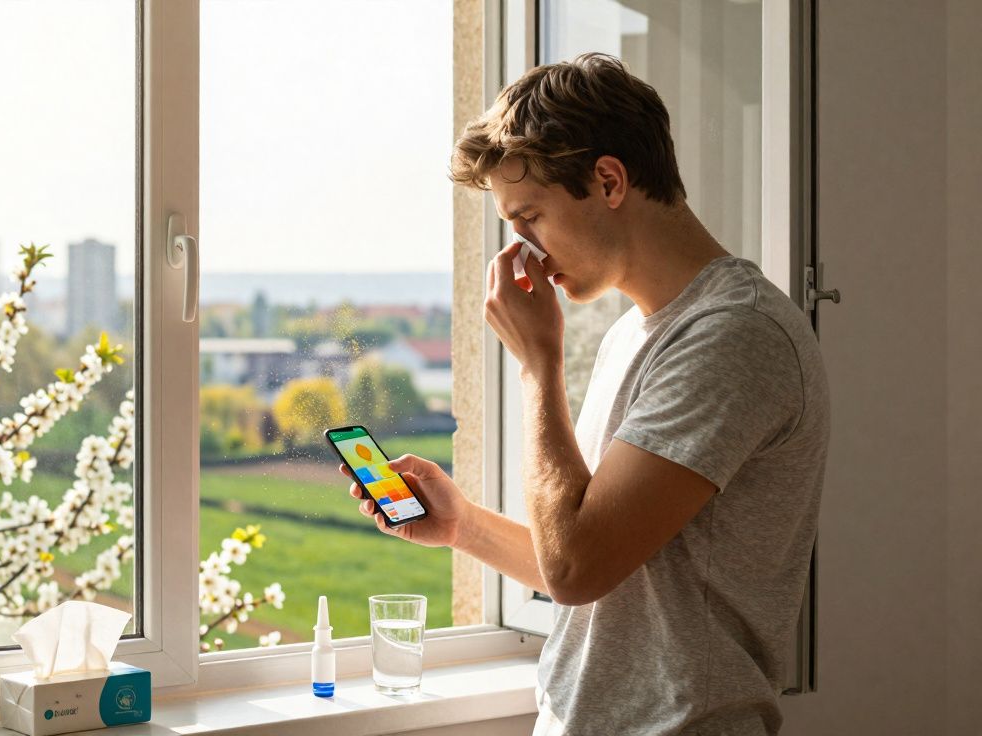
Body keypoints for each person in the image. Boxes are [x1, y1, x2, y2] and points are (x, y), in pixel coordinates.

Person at [338, 53, 829, 735]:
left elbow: (575, 568)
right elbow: (602, 562)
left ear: (608, 181)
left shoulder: (735, 336)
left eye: (530, 217)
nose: (524, 253)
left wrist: (537, 364)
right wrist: (464, 527)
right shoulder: (634, 333)